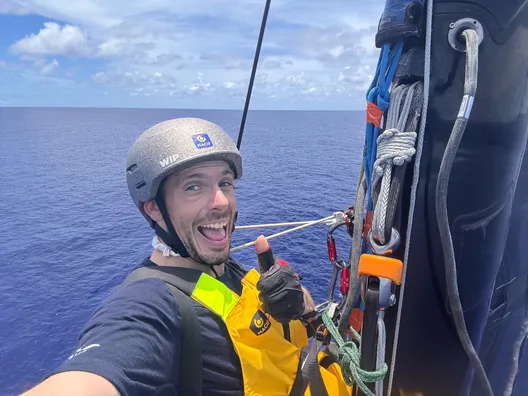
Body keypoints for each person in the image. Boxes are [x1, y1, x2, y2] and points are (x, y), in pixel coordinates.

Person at [21, 117, 336, 396]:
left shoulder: (224, 268)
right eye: (193, 187)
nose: (221, 202)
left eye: (225, 182)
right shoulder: (150, 304)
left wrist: (300, 306)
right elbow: (94, 372)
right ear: (155, 208)